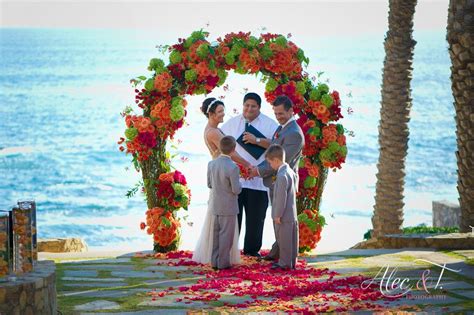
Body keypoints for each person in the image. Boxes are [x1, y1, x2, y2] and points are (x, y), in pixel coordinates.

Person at [192, 97, 250, 265]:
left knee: (216, 221)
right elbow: (230, 153)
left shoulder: (210, 128)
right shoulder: (214, 132)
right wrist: (247, 164)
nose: (223, 114)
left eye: (223, 110)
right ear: (210, 114)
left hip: (218, 173)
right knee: (224, 226)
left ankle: (216, 257)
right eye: (219, 112)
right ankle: (222, 259)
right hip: (223, 176)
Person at [221, 92, 278, 257]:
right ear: (243, 105)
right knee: (234, 217)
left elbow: (277, 146)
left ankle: (252, 252)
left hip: (258, 180)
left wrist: (257, 141)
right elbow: (221, 146)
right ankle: (231, 251)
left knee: (256, 218)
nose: (249, 109)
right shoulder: (232, 123)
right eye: (247, 105)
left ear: (259, 107)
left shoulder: (270, 125)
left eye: (253, 106)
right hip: (236, 180)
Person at [249, 95, 305, 262]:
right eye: (276, 114)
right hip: (275, 180)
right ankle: (278, 252)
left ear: (291, 111)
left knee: (281, 219)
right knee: (277, 218)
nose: (278, 117)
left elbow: (282, 160)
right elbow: (274, 147)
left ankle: (284, 257)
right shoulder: (283, 128)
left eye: (281, 113)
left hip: (283, 181)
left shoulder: (294, 133)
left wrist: (257, 171)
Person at [208, 136, 242, 269]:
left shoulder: (211, 164)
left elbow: (209, 184)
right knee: (226, 237)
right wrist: (241, 185)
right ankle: (223, 263)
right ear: (233, 149)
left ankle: (214, 261)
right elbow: (236, 190)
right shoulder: (233, 167)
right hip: (229, 206)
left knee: (216, 235)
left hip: (215, 204)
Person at [265, 144, 299, 270]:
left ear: (276, 160)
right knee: (292, 239)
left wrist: (277, 214)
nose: (270, 165)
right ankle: (292, 261)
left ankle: (284, 263)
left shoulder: (281, 175)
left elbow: (280, 197)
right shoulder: (290, 171)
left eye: (270, 163)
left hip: (284, 214)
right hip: (292, 212)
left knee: (284, 240)